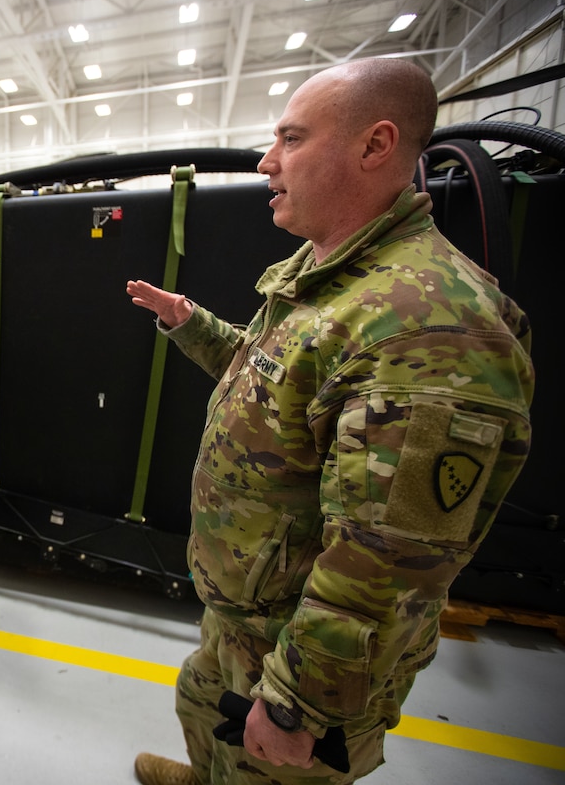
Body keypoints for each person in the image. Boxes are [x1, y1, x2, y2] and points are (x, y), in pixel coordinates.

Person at [127, 57, 534, 785]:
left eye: (291, 139)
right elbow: (273, 385)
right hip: (246, 614)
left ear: (374, 147)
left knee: (261, 766)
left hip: (304, 646)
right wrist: (192, 325)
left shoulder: (425, 327)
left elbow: (389, 555)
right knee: (204, 711)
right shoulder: (331, 282)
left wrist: (296, 701)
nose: (266, 161)